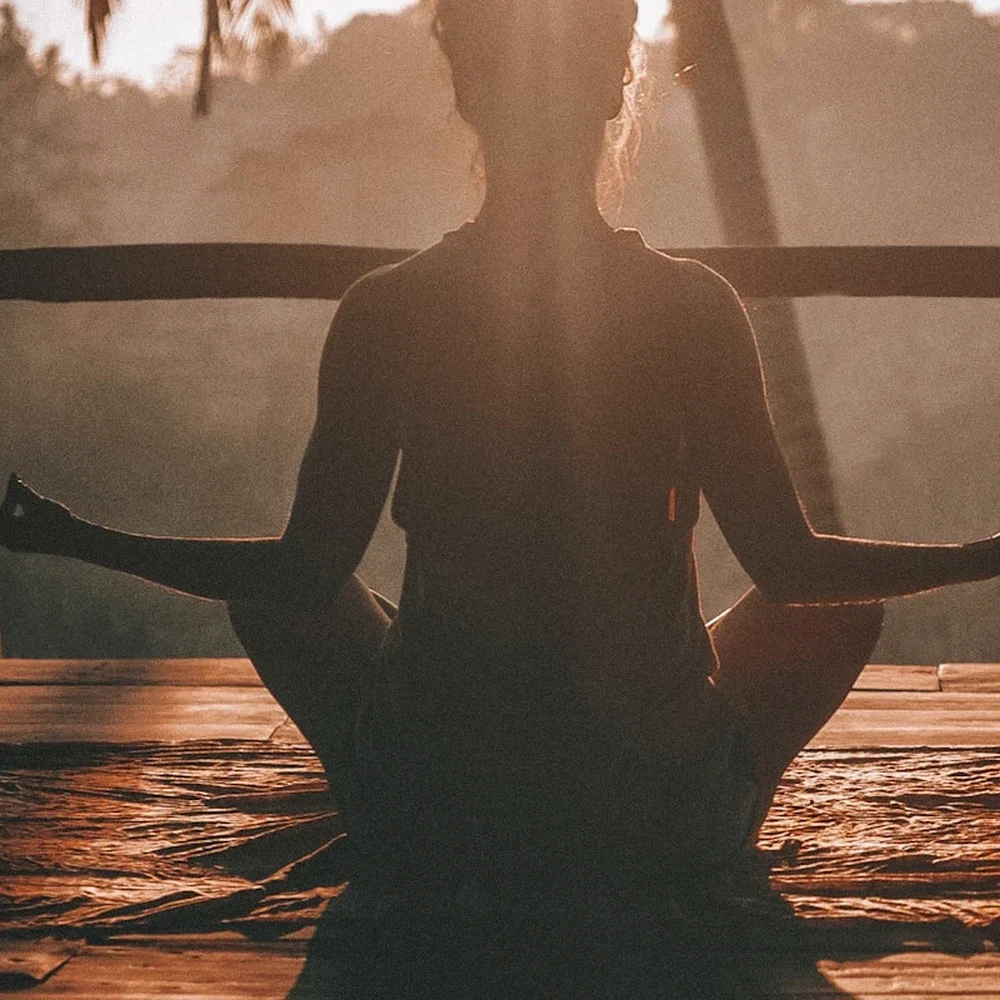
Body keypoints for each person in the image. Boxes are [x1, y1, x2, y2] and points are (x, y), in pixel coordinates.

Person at [2, 0, 1000, 910]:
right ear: (616, 87)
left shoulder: (388, 310)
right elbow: (793, 570)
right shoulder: (692, 308)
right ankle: (707, 818)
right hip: (643, 821)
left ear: (467, 89)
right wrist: (975, 558)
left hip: (438, 814)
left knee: (276, 596)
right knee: (838, 614)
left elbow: (301, 574)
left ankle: (381, 794)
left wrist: (75, 535)